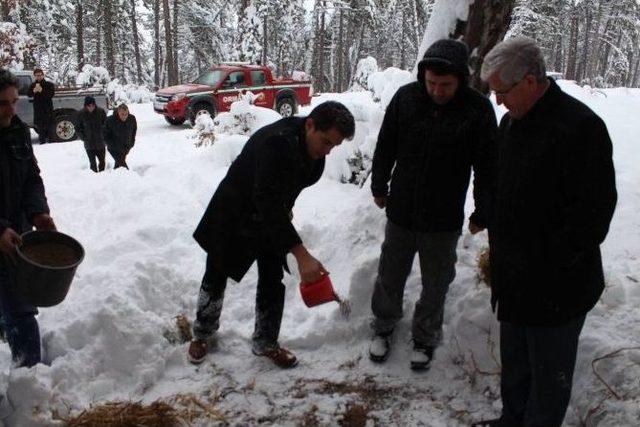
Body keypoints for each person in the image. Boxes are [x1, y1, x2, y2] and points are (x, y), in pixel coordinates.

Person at [472, 37, 617, 427]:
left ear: (532, 81)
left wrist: (546, 261)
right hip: (513, 279)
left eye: (503, 92)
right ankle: (510, 420)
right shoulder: (510, 124)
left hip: (557, 287)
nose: (499, 102)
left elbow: (594, 215)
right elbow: (500, 186)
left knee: (548, 379)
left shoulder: (581, 128)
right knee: (516, 367)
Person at [189, 101, 355, 368]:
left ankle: (265, 341)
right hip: (235, 211)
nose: (327, 151)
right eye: (325, 142)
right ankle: (202, 333)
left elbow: (280, 194)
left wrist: (285, 213)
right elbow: (265, 198)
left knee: (272, 278)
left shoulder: (315, 154)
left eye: (333, 146)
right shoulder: (276, 143)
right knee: (216, 272)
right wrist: (301, 254)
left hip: (269, 216)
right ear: (310, 125)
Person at [368, 39, 496, 371]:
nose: (437, 91)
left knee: (436, 280)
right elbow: (386, 146)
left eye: (446, 85)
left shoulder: (477, 110)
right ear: (423, 76)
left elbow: (488, 167)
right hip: (402, 209)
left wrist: (483, 210)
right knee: (390, 275)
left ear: (461, 80)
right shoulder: (406, 99)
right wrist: (379, 185)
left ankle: (425, 336)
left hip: (443, 215)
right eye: (431, 83)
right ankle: (383, 328)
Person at [0, 69, 56, 368]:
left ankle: (28, 375)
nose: (11, 109)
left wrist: (38, 212)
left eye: (13, 101)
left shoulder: (18, 130)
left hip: (15, 238)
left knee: (21, 307)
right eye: (2, 104)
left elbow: (31, 178)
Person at [76, 96, 107, 172]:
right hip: (89, 144)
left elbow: (106, 125)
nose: (91, 107)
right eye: (89, 106)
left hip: (100, 143)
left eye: (93, 105)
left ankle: (102, 175)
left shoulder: (101, 112)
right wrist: (83, 137)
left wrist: (103, 135)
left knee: (102, 162)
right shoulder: (81, 114)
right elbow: (77, 128)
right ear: (86, 106)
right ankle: (94, 178)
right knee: (92, 163)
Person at [104, 104, 136, 169]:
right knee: (122, 165)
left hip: (126, 147)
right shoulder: (110, 120)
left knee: (118, 165)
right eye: (122, 114)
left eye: (126, 114)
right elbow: (105, 135)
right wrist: (112, 145)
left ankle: (116, 177)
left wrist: (131, 143)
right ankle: (129, 176)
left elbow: (134, 131)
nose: (124, 116)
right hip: (114, 149)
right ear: (118, 112)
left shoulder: (132, 118)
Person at [27, 68, 55, 145]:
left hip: (47, 109)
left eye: (39, 75)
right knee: (40, 127)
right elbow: (28, 94)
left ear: (43, 75)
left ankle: (52, 142)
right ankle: (42, 142)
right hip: (38, 109)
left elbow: (50, 95)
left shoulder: (49, 84)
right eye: (36, 76)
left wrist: (41, 90)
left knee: (49, 126)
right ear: (34, 76)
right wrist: (33, 91)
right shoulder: (33, 85)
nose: (38, 77)